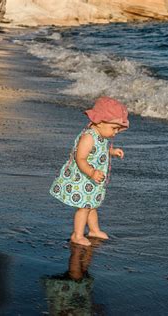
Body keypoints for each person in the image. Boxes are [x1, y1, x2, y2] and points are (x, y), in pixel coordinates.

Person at [50, 96, 129, 246]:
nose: (116, 132)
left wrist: (112, 152)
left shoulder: (101, 136)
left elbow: (101, 150)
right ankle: (77, 235)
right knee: (83, 208)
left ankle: (93, 230)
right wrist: (92, 173)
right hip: (83, 179)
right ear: (99, 122)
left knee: (92, 205)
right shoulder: (88, 137)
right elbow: (80, 158)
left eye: (118, 129)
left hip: (93, 181)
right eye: (114, 128)